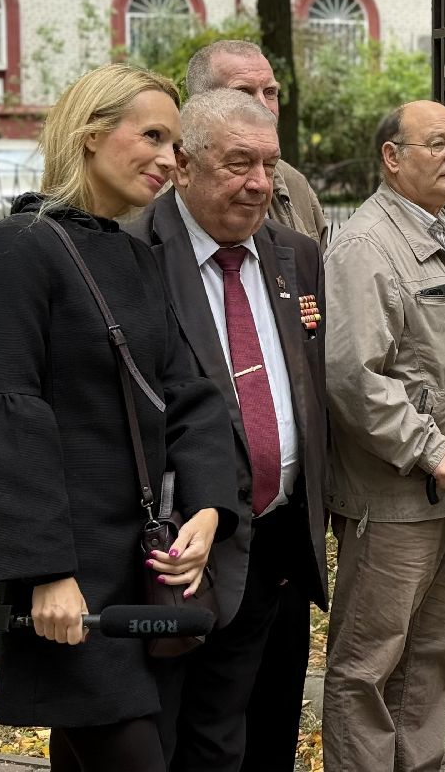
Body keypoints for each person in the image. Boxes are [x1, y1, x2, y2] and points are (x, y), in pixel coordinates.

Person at [0, 64, 238, 772]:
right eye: (152, 136)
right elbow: (9, 414)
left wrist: (209, 510)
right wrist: (44, 572)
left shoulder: (134, 256)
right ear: (92, 135)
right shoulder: (18, 248)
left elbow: (189, 394)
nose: (170, 159)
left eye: (175, 144)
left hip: (143, 569)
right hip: (67, 582)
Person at [127, 89, 330, 772]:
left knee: (235, 736)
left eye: (270, 164)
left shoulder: (293, 254)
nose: (261, 183)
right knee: (161, 739)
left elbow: (307, 385)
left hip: (271, 540)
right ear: (184, 164)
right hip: (169, 552)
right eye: (240, 164)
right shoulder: (131, 253)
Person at [321, 101, 445, 772]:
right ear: (392, 158)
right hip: (396, 500)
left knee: (431, 657)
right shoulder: (367, 247)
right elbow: (351, 375)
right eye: (437, 144)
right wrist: (429, 447)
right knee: (368, 666)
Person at [185, 40, 327, 244]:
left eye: (270, 92)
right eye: (243, 92)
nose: (263, 106)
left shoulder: (294, 184)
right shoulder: (152, 194)